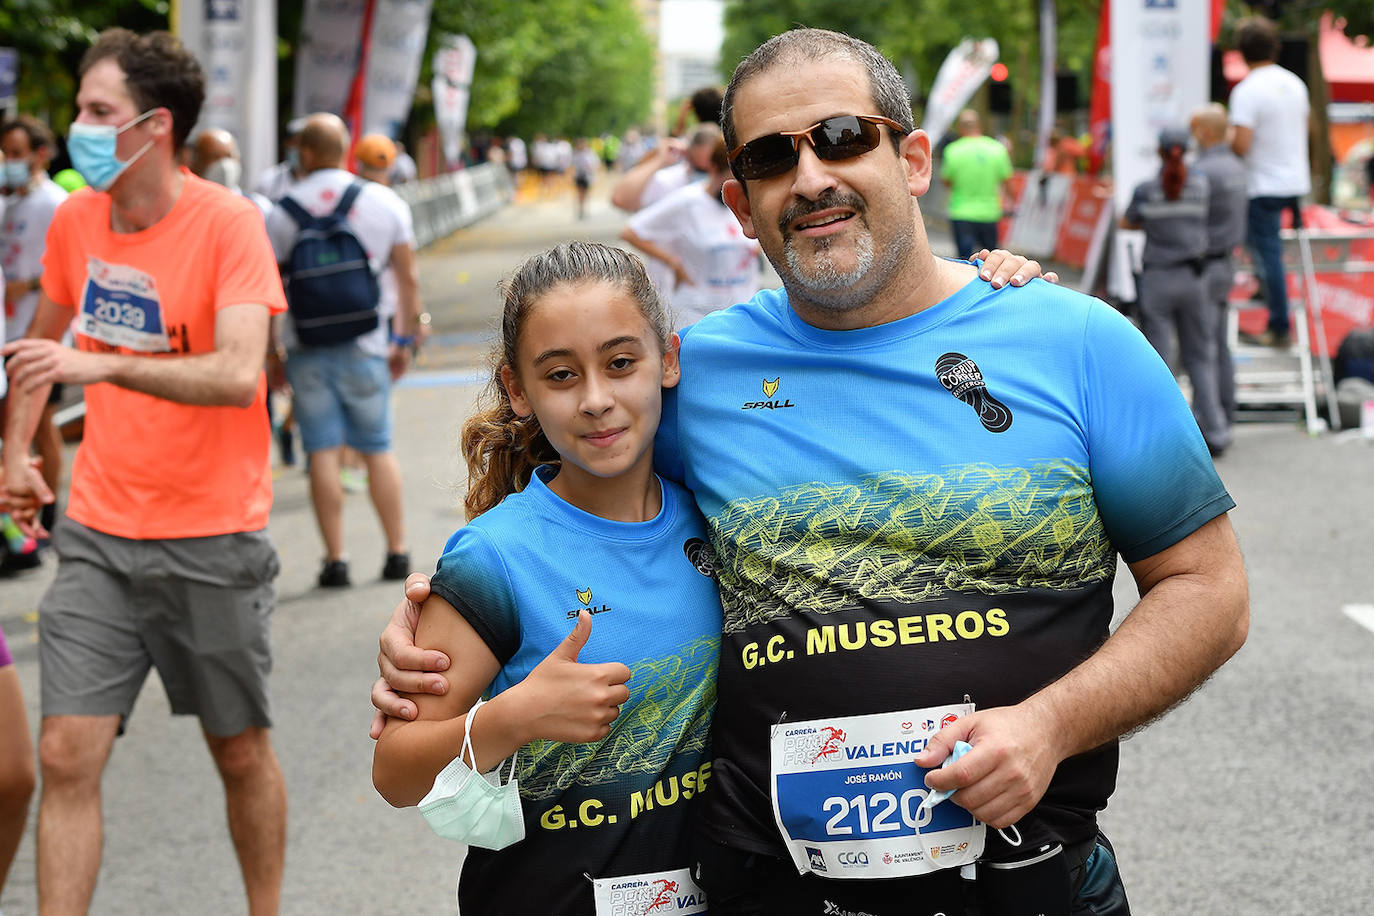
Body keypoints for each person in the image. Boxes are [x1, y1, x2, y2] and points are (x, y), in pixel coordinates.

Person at [373, 28, 1246, 916]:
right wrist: (448, 627)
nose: (812, 177)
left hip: (1030, 881)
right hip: (771, 889)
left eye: (841, 137)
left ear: (912, 159)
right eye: (770, 157)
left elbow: (1207, 588)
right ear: (739, 205)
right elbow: (572, 482)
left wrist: (1051, 725)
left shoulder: (1078, 342)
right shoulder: (694, 375)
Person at [0, 29, 289, 915]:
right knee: (64, 757)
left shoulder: (228, 224)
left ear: (153, 126)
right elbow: (42, 350)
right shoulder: (79, 220)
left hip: (212, 537)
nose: (77, 128)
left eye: (97, 112)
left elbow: (240, 373)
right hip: (98, 535)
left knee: (237, 751)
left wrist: (109, 366)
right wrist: (16, 451)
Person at [371, 241, 720, 915]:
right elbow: (395, 773)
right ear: (517, 390)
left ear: (668, 360)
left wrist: (989, 268)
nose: (596, 400)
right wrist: (511, 718)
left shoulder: (719, 518)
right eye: (560, 376)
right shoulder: (493, 558)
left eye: (621, 364)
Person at [264, 113, 419, 588]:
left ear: (304, 154)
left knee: (323, 452)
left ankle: (336, 559)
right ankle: (397, 552)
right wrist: (405, 337)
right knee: (376, 448)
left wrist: (273, 353)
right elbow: (407, 278)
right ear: (346, 150)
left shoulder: (280, 211)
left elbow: (272, 290)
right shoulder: (383, 201)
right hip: (368, 342)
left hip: (307, 346)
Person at [1121, 127, 1231, 457]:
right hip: (1195, 280)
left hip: (1158, 280)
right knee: (1201, 356)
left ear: (1160, 151)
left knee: (1160, 362)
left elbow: (1128, 222)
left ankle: (1165, 437)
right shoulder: (1200, 186)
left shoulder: (1146, 190)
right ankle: (1215, 431)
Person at [1, 114, 69, 556]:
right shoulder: (9, 203)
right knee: (15, 426)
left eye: (16, 154)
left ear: (40, 155)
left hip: (39, 335)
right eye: (5, 154)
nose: (8, 162)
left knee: (37, 422)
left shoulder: (56, 203)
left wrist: (26, 293)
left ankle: (48, 511)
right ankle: (20, 517)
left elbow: (65, 274)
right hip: (10, 333)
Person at [621, 127, 762, 328]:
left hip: (743, 317)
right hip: (697, 318)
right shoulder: (688, 201)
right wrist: (673, 262)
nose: (739, 187)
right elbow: (631, 232)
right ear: (713, 169)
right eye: (731, 177)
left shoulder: (749, 200)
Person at [1229, 14, 1310, 349]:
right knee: (1267, 250)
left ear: (1242, 52)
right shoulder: (1295, 82)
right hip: (1295, 181)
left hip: (1264, 184)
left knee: (1267, 252)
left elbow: (1242, 145)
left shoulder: (1247, 91)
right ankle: (1267, 284)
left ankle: (1278, 326)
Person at [1190, 103, 1250, 434]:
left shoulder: (1203, 171)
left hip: (1207, 263)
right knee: (1217, 341)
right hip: (1227, 260)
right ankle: (1224, 409)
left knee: (1203, 346)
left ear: (1204, 131)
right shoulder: (1236, 166)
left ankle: (1210, 421)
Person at [941, 109, 1013, 258]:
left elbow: (947, 181)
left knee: (964, 262)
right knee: (991, 263)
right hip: (989, 213)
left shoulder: (952, 150)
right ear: (979, 125)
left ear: (961, 128)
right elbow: (1007, 180)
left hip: (961, 212)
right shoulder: (997, 149)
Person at [189, 126, 271, 218]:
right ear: (196, 163)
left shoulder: (260, 207)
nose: (224, 164)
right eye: (215, 157)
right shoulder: (187, 208)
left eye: (229, 156)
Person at [253, 116, 306, 203]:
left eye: (305, 144)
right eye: (296, 142)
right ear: (286, 143)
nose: (300, 149)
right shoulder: (269, 179)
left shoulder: (322, 181)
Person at [571, 137, 599, 221]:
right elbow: (572, 165)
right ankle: (581, 209)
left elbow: (596, 164)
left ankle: (585, 208)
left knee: (586, 193)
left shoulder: (590, 153)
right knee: (580, 193)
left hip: (587, 176)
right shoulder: (575, 153)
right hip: (579, 175)